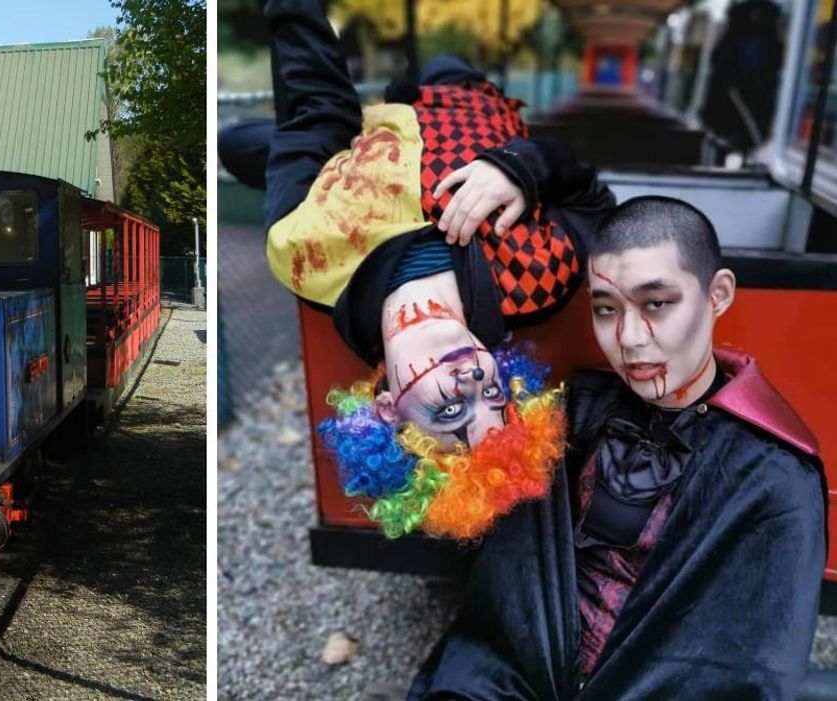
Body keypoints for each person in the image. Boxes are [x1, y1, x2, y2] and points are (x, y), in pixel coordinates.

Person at [218, 0, 615, 539]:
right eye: (494, 395)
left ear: (387, 409)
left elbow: (316, 107)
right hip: (464, 96)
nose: (471, 379)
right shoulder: (535, 281)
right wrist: (523, 168)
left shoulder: (306, 254)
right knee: (440, 58)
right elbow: (594, 198)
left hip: (363, 137)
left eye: (452, 410)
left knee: (244, 143)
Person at [410, 196, 826, 700]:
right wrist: (519, 168)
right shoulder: (579, 408)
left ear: (717, 295)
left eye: (656, 304)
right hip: (513, 678)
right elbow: (514, 576)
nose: (629, 338)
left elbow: (747, 663)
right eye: (607, 310)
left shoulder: (773, 474)